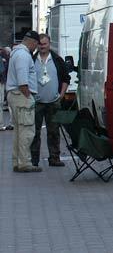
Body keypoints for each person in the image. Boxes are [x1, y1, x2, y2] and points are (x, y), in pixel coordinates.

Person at [31, 34, 70, 167]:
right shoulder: (31, 59)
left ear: (49, 44)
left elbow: (66, 78)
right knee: (34, 133)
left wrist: (61, 95)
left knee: (53, 132)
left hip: (53, 102)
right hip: (36, 102)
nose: (42, 46)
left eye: (44, 44)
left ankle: (54, 158)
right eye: (40, 44)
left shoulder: (57, 60)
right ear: (37, 44)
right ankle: (33, 160)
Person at [6, 31, 42, 172]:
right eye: (36, 45)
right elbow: (22, 80)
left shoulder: (16, 53)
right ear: (33, 42)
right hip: (21, 95)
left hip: (14, 95)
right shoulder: (23, 56)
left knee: (18, 130)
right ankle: (24, 162)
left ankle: (17, 161)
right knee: (27, 131)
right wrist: (28, 97)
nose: (36, 48)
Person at [0, 46, 14, 131]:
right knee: (10, 104)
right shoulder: (8, 57)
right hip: (7, 81)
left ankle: (1, 124)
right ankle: (12, 123)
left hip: (3, 81)